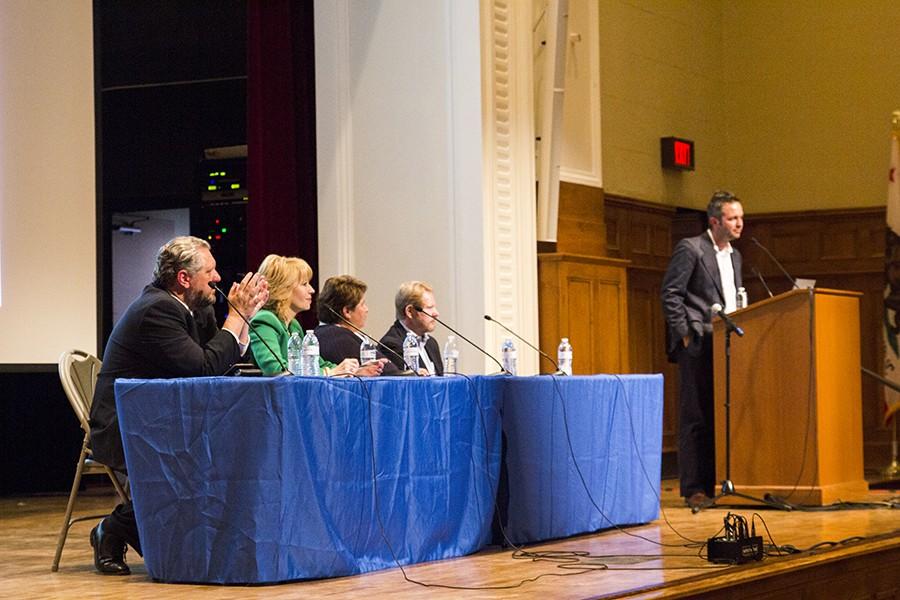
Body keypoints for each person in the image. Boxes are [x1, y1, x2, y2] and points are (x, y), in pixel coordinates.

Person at [88, 236, 269, 575]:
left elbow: (220, 361)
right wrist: (237, 315)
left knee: (236, 450)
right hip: (126, 429)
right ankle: (113, 530)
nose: (217, 278)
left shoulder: (194, 309)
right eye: (210, 271)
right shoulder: (158, 309)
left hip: (164, 422)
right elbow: (203, 367)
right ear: (184, 278)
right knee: (210, 460)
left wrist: (243, 318)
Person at [661, 190, 744, 510]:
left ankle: (719, 480)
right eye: (732, 218)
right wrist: (683, 334)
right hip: (696, 342)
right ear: (714, 221)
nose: (739, 224)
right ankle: (694, 487)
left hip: (725, 342)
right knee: (695, 415)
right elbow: (670, 293)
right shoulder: (691, 248)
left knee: (720, 412)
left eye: (740, 218)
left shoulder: (735, 255)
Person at [248, 254, 380, 377]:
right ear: (284, 289)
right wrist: (330, 372)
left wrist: (352, 371)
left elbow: (319, 364)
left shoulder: (293, 326)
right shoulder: (264, 320)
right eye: (304, 284)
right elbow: (276, 369)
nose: (312, 290)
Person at [315, 275, 398, 375]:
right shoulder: (336, 337)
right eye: (362, 304)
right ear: (347, 311)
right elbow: (388, 372)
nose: (367, 309)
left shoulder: (333, 333)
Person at [380, 281, 443, 375]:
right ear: (409, 311)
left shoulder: (431, 343)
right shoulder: (391, 345)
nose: (436, 313)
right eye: (429, 308)